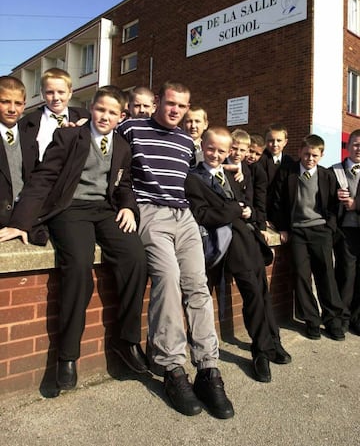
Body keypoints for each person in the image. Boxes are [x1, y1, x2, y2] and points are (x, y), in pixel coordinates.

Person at [0, 86, 148, 390]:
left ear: (122, 117)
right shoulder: (69, 136)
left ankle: (128, 340)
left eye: (111, 112)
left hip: (105, 211)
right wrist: (20, 223)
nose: (104, 116)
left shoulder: (122, 146)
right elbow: (43, 178)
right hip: (71, 208)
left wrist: (130, 209)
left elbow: (125, 185)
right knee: (79, 266)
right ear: (90, 109)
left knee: (136, 258)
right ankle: (67, 357)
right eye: (100, 109)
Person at [118, 82, 234, 419]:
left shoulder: (187, 142)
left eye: (182, 107)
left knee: (198, 284)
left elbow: (205, 176)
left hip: (184, 217)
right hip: (150, 212)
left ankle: (209, 370)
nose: (175, 111)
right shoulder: (132, 128)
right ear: (157, 102)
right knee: (167, 280)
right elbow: (103, 135)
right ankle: (172, 368)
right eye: (170, 104)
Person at [185, 126, 291, 384]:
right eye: (210, 148)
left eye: (222, 150)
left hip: (249, 241)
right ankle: (260, 350)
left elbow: (248, 205)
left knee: (262, 292)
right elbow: (202, 215)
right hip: (229, 246)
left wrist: (248, 213)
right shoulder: (194, 178)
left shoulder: (231, 175)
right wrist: (235, 209)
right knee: (252, 294)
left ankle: (270, 342)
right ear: (203, 147)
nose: (215, 154)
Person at [269, 134, 345, 341]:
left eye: (314, 155)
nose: (309, 159)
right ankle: (311, 320)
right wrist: (283, 228)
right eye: (306, 154)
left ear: (321, 155)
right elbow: (277, 203)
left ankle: (332, 320)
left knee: (326, 276)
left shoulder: (326, 176)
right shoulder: (288, 173)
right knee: (302, 276)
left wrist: (329, 227)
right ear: (300, 152)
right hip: (298, 232)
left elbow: (333, 205)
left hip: (320, 230)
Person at [0, 75, 46, 244]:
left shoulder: (29, 139)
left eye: (18, 103)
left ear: (24, 105)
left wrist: (24, 220)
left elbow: (35, 182)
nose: (12, 109)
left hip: (24, 219)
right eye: (5, 101)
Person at [19, 67, 90, 162]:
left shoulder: (84, 117)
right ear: (42, 94)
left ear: (70, 93)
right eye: (50, 92)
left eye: (61, 92)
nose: (56, 97)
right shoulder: (27, 123)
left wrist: (88, 126)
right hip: (40, 173)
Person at [331, 129, 360, 335]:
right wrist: (336, 197)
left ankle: (357, 318)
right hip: (344, 231)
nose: (359, 149)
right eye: (356, 144)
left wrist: (356, 203)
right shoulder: (334, 170)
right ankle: (341, 317)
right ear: (348, 146)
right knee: (345, 274)